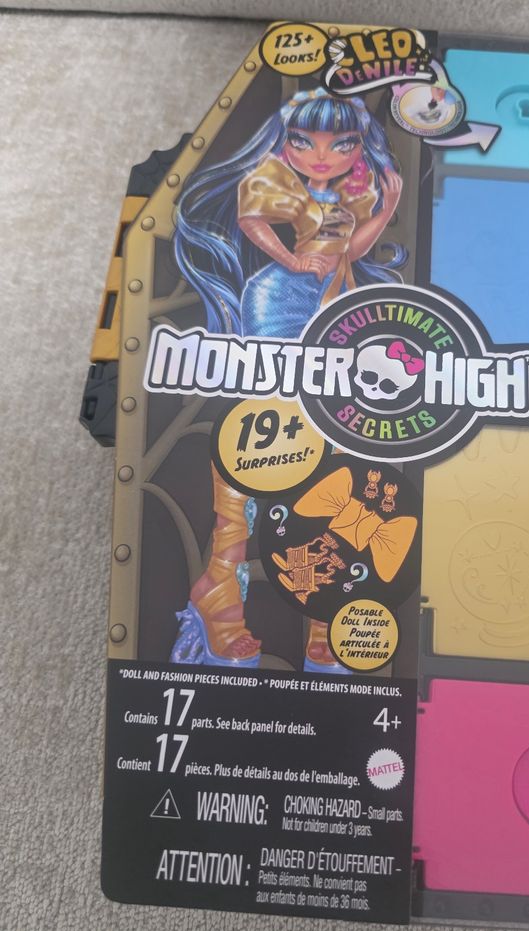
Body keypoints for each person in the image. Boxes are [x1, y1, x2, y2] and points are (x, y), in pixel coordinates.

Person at [169, 88, 405, 671]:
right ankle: (221, 581)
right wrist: (294, 259)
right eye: (305, 141)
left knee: (333, 446)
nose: (321, 155)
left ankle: (323, 605)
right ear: (287, 142)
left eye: (340, 144)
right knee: (264, 431)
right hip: (279, 300)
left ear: (358, 147)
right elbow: (251, 220)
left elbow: (349, 250)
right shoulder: (277, 178)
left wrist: (385, 211)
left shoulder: (356, 191)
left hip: (337, 305)